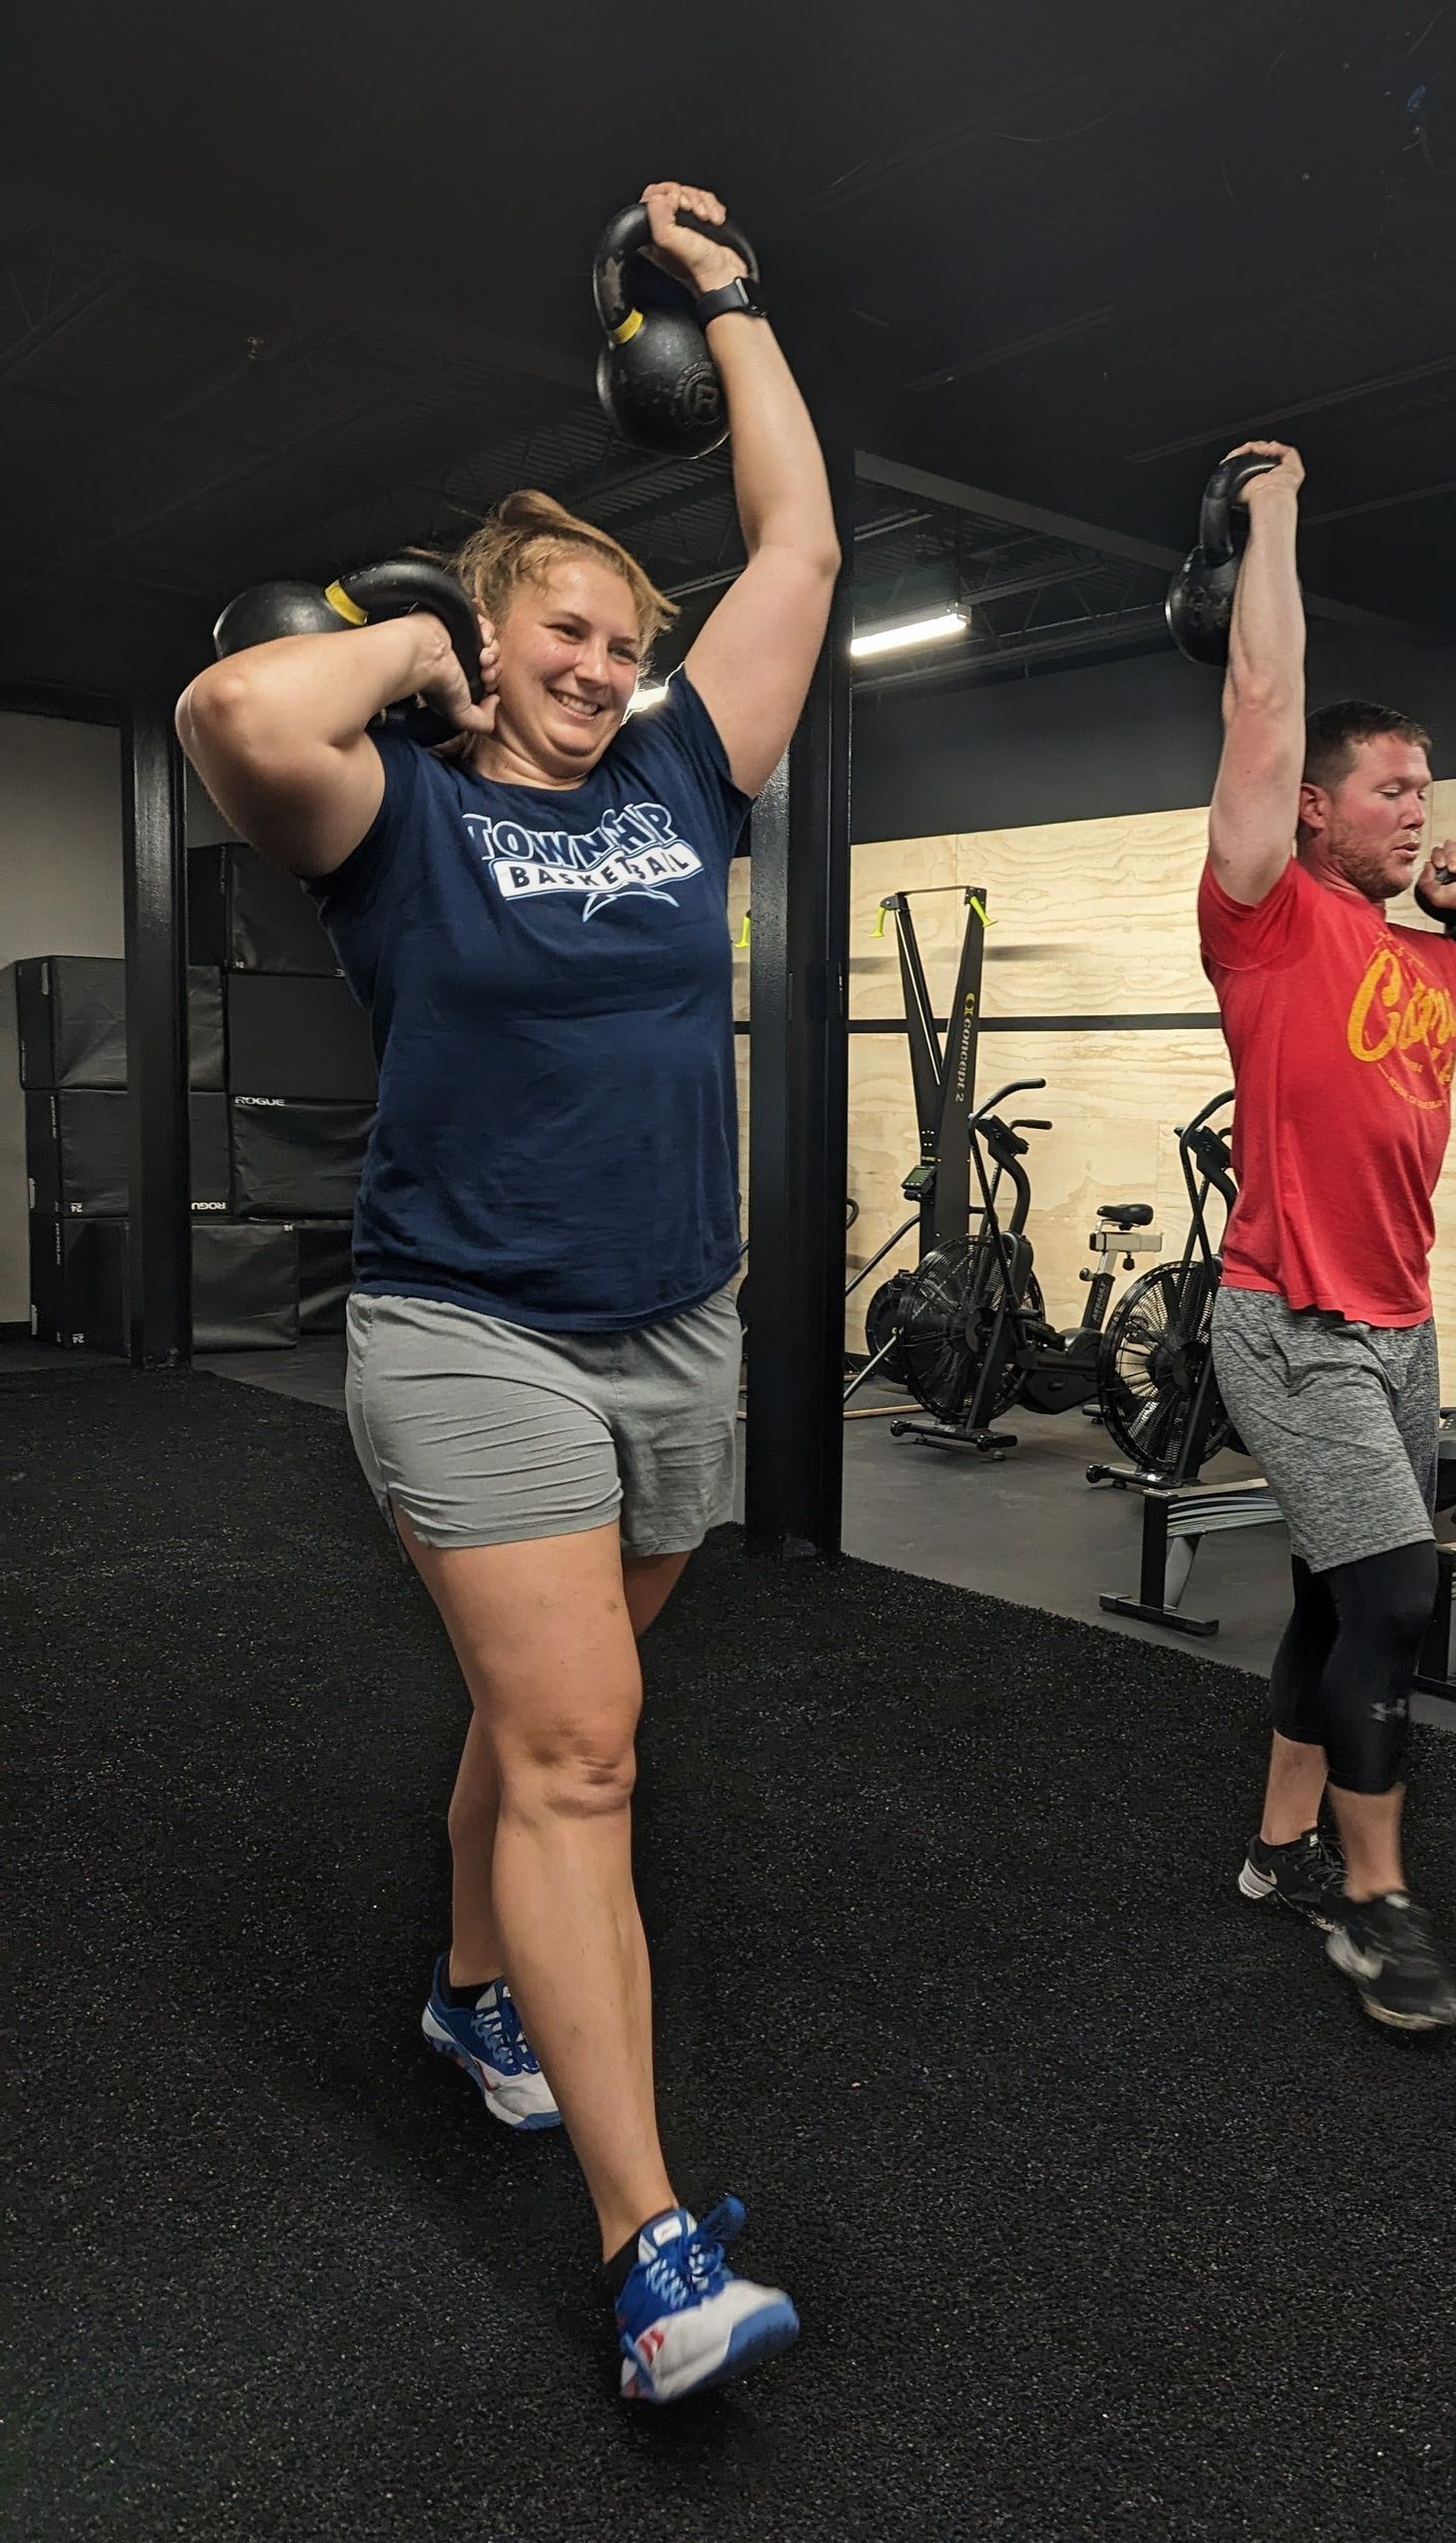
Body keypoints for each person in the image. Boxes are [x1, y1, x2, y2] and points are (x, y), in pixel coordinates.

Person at [177, 182, 840, 2400]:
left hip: (677, 1328)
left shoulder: (681, 770)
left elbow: (805, 551)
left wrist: (728, 302)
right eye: (561, 630)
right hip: (468, 1333)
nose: (603, 664)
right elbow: (231, 709)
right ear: (489, 639)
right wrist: (419, 644)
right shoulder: (394, 822)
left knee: (542, 1715)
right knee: (580, 1748)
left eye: (620, 635)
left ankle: (475, 1991)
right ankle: (655, 2255)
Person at [1197, 440, 1456, 2032]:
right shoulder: (1266, 914)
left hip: (1398, 1326)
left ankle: (1281, 1850)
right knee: (1394, 1598)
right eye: (1395, 789)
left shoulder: (1430, 969)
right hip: (1288, 1320)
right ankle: (1376, 1906)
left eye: (1429, 790)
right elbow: (1260, 705)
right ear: (1317, 809)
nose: (1419, 808)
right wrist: (1277, 514)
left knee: (1329, 1593)